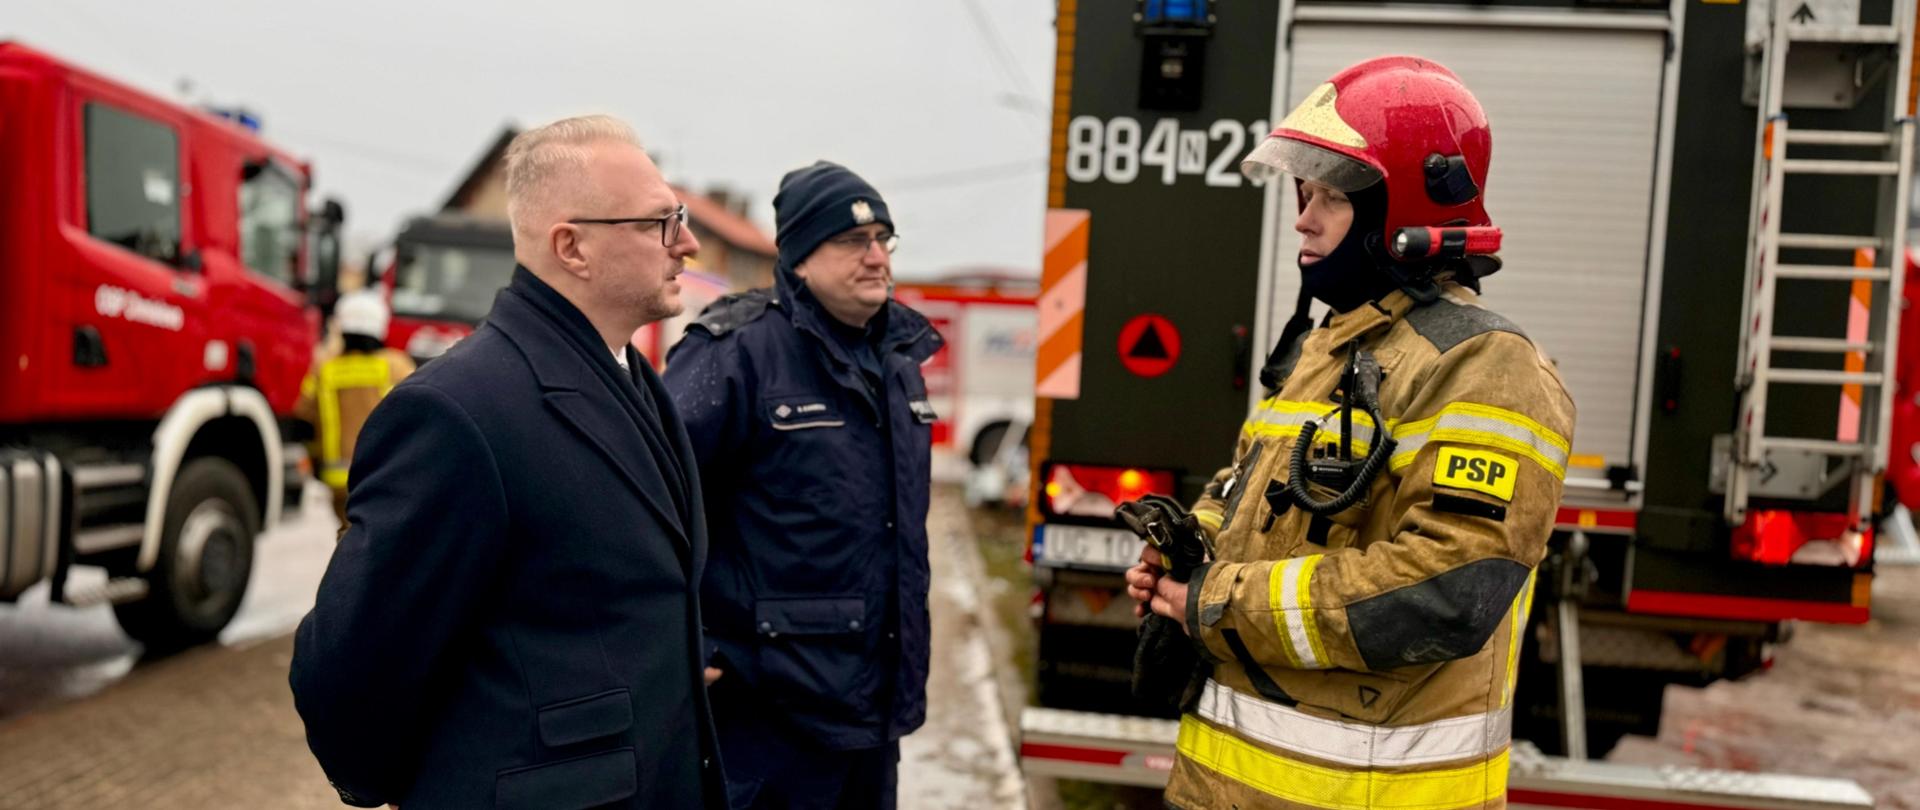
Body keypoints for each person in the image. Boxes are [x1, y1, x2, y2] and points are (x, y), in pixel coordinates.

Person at [1124, 56, 1576, 809]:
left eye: (1331, 197)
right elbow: (1246, 499)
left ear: (1396, 217)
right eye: (1305, 194)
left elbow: (1447, 591)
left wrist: (1213, 600)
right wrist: (1182, 552)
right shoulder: (1328, 348)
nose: (1303, 218)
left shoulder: (1489, 367)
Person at [289, 115, 725, 810]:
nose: (690, 244)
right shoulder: (457, 412)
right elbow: (353, 670)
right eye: (660, 224)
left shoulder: (640, 385)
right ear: (572, 246)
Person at [663, 161, 943, 809]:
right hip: (765, 721)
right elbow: (648, 499)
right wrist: (691, 643)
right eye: (852, 242)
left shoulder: (899, 365)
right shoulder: (736, 354)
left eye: (884, 239)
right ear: (800, 258)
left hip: (873, 718)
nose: (877, 257)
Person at [294, 289, 416, 527]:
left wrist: (315, 460)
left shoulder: (325, 370)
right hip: (383, 476)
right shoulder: (396, 366)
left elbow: (302, 417)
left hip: (337, 480)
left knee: (348, 536)